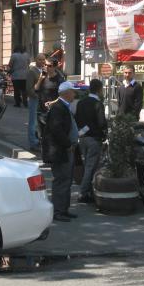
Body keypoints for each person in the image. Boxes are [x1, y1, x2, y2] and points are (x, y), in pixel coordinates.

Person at [43, 81, 79, 222]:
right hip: (61, 151)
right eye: (73, 91)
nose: (74, 94)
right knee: (61, 180)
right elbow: (56, 129)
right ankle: (58, 211)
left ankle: (63, 209)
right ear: (67, 93)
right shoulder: (58, 108)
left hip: (64, 150)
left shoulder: (62, 107)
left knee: (66, 180)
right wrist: (68, 144)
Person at [75, 79, 108, 203]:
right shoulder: (98, 104)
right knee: (91, 167)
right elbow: (101, 123)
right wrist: (104, 131)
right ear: (99, 89)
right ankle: (83, 193)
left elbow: (77, 119)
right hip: (94, 139)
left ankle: (88, 191)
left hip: (82, 137)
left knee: (87, 165)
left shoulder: (81, 103)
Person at [35, 57, 65, 141]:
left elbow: (63, 96)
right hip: (41, 110)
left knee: (51, 137)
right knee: (41, 136)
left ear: (55, 67)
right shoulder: (43, 76)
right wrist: (40, 79)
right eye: (45, 65)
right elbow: (36, 89)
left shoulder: (59, 79)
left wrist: (53, 102)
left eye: (49, 65)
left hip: (53, 112)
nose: (46, 67)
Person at [26, 53, 46, 152]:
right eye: (40, 59)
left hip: (43, 100)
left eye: (43, 60)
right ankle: (33, 143)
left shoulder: (44, 70)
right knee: (33, 122)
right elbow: (29, 89)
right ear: (36, 60)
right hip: (34, 99)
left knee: (41, 121)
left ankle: (38, 140)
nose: (42, 61)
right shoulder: (32, 71)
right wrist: (36, 96)